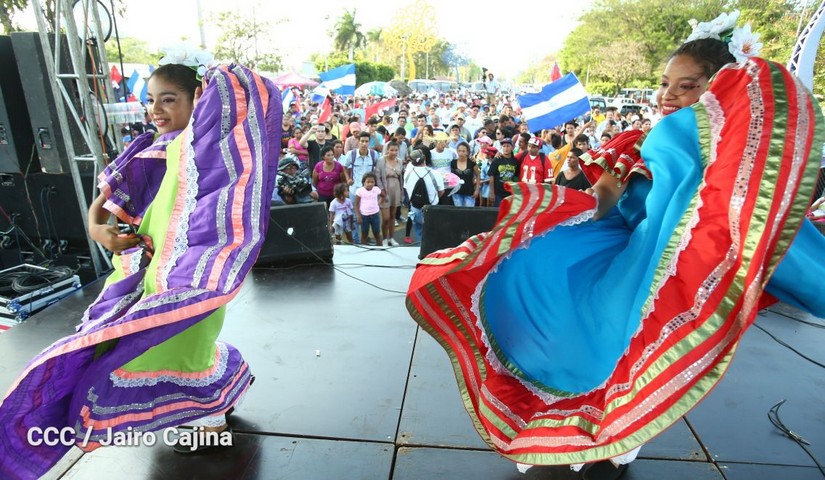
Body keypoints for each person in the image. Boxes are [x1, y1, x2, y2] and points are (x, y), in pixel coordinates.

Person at [405, 12, 825, 480]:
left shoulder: (728, 164)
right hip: (623, 253)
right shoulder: (641, 141)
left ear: (717, 89)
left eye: (686, 86)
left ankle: (617, 437)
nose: (667, 95)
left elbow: (747, 212)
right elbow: (604, 194)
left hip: (672, 261)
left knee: (629, 344)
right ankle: (557, 432)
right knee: (564, 314)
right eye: (664, 83)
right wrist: (556, 220)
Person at [0, 51, 281, 478]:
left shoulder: (212, 154)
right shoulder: (151, 149)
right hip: (146, 272)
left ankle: (210, 422)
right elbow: (103, 205)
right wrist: (99, 230)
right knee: (143, 347)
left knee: (184, 345)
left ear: (198, 98)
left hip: (191, 274)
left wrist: (218, 84)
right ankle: (207, 408)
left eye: (169, 99)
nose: (156, 110)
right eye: (150, 100)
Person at [404, 146, 444, 242]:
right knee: (431, 233)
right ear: (424, 158)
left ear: (412, 162)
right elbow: (441, 192)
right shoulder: (435, 174)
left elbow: (406, 188)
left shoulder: (407, 173)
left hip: (415, 207)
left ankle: (419, 248)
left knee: (419, 231)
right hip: (431, 208)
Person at [376, 141, 404, 246]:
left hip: (396, 188)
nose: (394, 152)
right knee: (386, 218)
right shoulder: (381, 160)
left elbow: (401, 178)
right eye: (392, 150)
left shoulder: (399, 161)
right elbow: (377, 176)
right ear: (387, 150)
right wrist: (381, 190)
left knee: (393, 216)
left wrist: (402, 192)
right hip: (385, 189)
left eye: (396, 150)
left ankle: (391, 238)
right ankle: (384, 238)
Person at [487, 138, 518, 206]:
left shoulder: (515, 161)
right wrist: (492, 192)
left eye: (508, 146)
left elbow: (516, 177)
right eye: (504, 146)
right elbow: (491, 176)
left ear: (512, 147)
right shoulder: (497, 159)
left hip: (510, 192)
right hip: (498, 193)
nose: (505, 148)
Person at [355, 172, 384, 246]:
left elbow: (383, 195)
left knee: (377, 233)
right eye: (368, 182)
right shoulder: (360, 191)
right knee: (364, 233)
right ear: (364, 182)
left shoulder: (376, 189)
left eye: (372, 182)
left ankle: (380, 248)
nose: (370, 184)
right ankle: (364, 248)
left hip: (375, 215)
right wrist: (358, 216)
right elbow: (356, 204)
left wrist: (379, 202)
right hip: (364, 216)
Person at [450, 142, 479, 207]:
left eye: (463, 151)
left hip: (470, 192)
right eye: (459, 151)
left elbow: (478, 175)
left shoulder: (472, 163)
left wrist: (477, 189)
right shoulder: (453, 163)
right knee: (459, 212)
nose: (461, 153)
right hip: (456, 192)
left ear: (467, 152)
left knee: (469, 212)